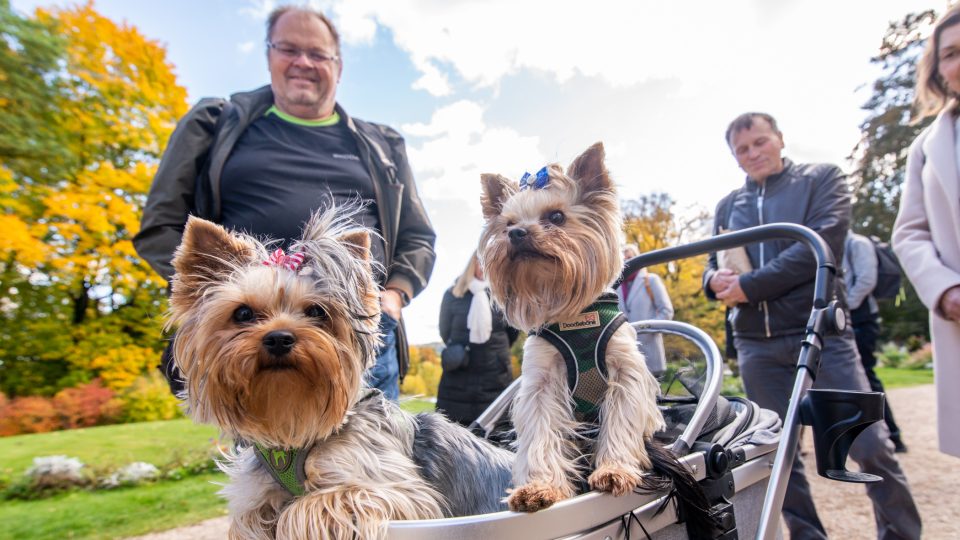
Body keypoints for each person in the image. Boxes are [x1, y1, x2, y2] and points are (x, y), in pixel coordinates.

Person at [133, 5, 436, 401]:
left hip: (354, 328)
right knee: (262, 461)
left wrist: (392, 298)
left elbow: (418, 237)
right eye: (289, 49)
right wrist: (221, 298)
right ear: (269, 56)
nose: (303, 63)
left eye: (318, 54)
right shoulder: (216, 124)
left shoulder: (382, 145)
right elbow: (161, 225)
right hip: (245, 335)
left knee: (370, 456)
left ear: (339, 67)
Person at [703, 112, 921, 539]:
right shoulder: (729, 205)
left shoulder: (821, 179)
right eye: (742, 149)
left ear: (780, 139)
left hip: (820, 336)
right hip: (756, 344)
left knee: (870, 445)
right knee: (778, 457)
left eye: (760, 142)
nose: (753, 153)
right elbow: (716, 262)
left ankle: (902, 534)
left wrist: (747, 286)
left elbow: (820, 249)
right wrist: (713, 281)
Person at [892, 4, 960, 459]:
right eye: (951, 53)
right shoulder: (930, 145)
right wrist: (945, 289)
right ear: (938, 70)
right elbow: (910, 232)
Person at [436, 253, 519, 426]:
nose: (483, 268)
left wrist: (496, 354)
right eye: (479, 263)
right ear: (471, 265)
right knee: (453, 436)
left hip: (495, 376)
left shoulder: (505, 295)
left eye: (488, 262)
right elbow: (445, 331)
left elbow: (513, 333)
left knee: (495, 434)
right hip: (458, 375)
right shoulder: (453, 294)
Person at [843, 231, 906, 452]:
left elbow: (866, 280)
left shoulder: (858, 243)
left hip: (860, 319)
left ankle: (891, 435)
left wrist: (842, 309)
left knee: (865, 378)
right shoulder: (835, 244)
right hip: (843, 320)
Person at [617, 243, 674, 376]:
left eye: (630, 258)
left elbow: (666, 311)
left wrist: (646, 327)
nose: (627, 262)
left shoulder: (651, 280)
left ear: (638, 259)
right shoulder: (615, 284)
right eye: (624, 259)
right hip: (625, 355)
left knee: (655, 394)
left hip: (649, 348)